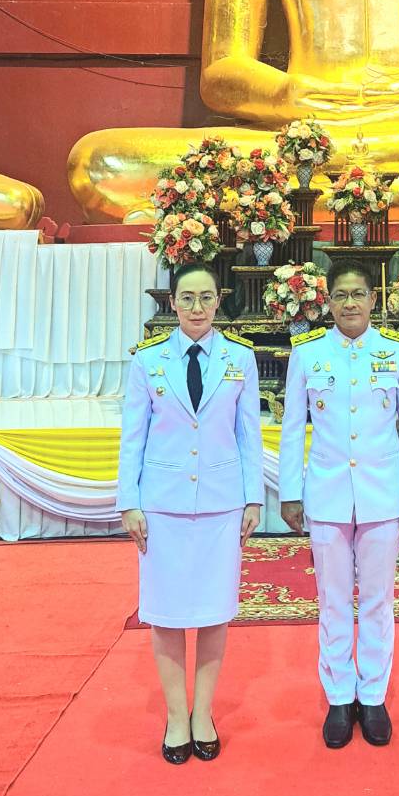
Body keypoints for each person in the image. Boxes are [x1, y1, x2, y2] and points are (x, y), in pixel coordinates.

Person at [118, 262, 264, 764]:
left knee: (213, 612)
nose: (197, 307)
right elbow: (132, 437)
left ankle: (203, 712)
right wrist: (129, 502)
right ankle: (176, 715)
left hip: (221, 505)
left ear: (219, 301)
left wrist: (252, 497)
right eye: (187, 298)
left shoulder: (240, 359)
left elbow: (248, 435)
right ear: (173, 303)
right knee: (166, 613)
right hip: (163, 506)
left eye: (205, 297)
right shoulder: (148, 362)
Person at [279, 259, 399, 749]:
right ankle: (340, 696)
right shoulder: (308, 353)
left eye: (357, 294)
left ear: (372, 299)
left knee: (379, 600)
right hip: (327, 495)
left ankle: (374, 694)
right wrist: (291, 492)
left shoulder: (396, 352)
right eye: (340, 295)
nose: (349, 303)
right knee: (334, 599)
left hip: (382, 494)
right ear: (328, 302)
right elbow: (292, 427)